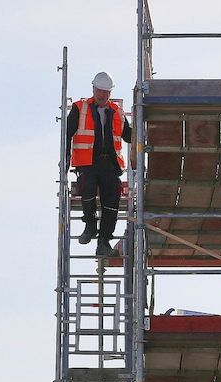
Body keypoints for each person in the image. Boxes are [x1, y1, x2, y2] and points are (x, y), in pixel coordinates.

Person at [66, 71, 132, 257]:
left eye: (106, 92)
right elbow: (67, 134)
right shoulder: (80, 108)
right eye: (99, 91)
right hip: (87, 162)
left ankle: (104, 241)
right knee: (87, 188)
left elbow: (128, 135)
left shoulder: (117, 111)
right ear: (93, 89)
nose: (102, 95)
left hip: (109, 163)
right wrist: (64, 162)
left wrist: (146, 127)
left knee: (112, 200)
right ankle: (89, 225)